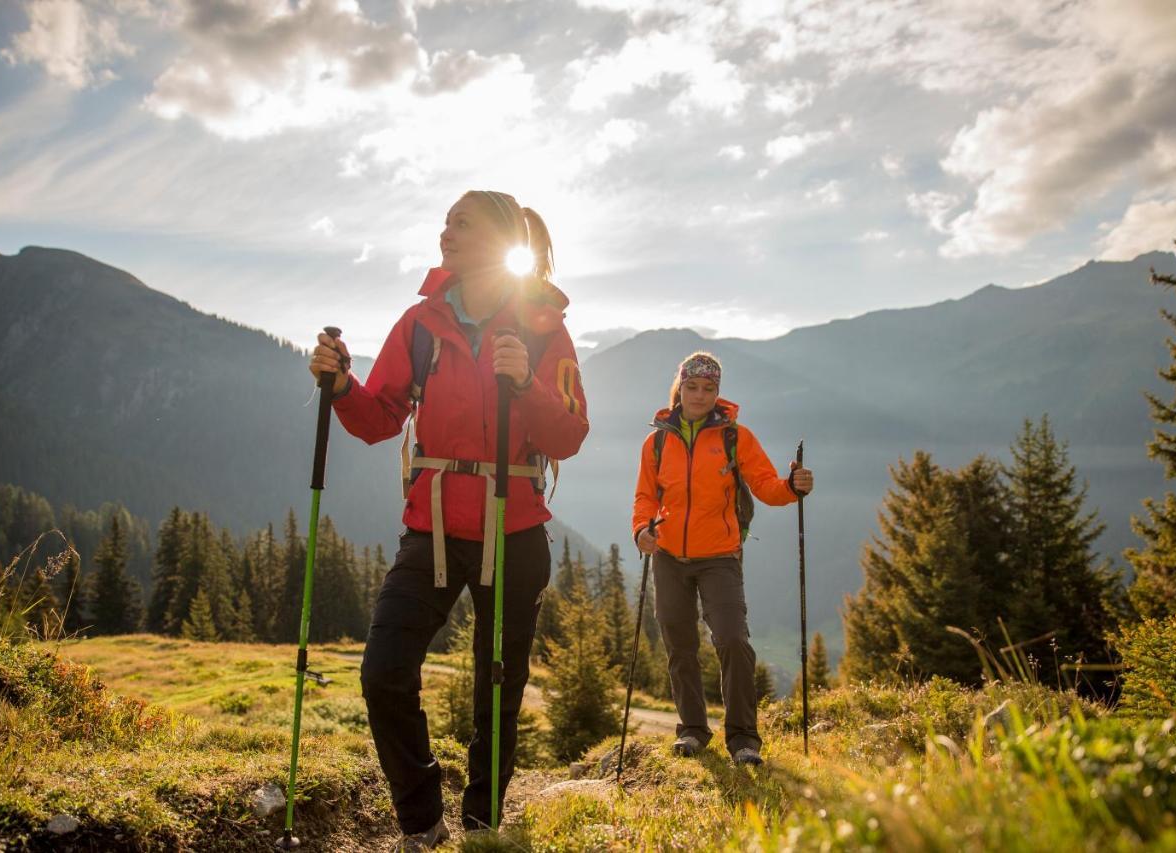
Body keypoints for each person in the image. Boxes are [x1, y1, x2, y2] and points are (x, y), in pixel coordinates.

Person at [309, 191, 588, 848]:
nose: (446, 234)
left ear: (497, 238)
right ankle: (422, 818)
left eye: (461, 223)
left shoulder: (541, 325)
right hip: (430, 527)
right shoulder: (419, 323)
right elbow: (380, 417)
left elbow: (571, 431)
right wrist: (342, 384)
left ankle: (481, 825)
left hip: (513, 528)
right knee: (383, 670)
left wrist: (527, 383)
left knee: (498, 691)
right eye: (445, 223)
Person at [631, 352, 812, 767]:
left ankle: (744, 738)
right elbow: (645, 495)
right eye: (692, 387)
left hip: (720, 557)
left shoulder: (735, 437)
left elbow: (767, 486)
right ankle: (693, 731)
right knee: (680, 647)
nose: (699, 395)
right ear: (680, 389)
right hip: (669, 556)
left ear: (718, 392)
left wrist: (793, 486)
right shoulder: (657, 441)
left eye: (708, 388)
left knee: (732, 640)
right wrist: (642, 530)